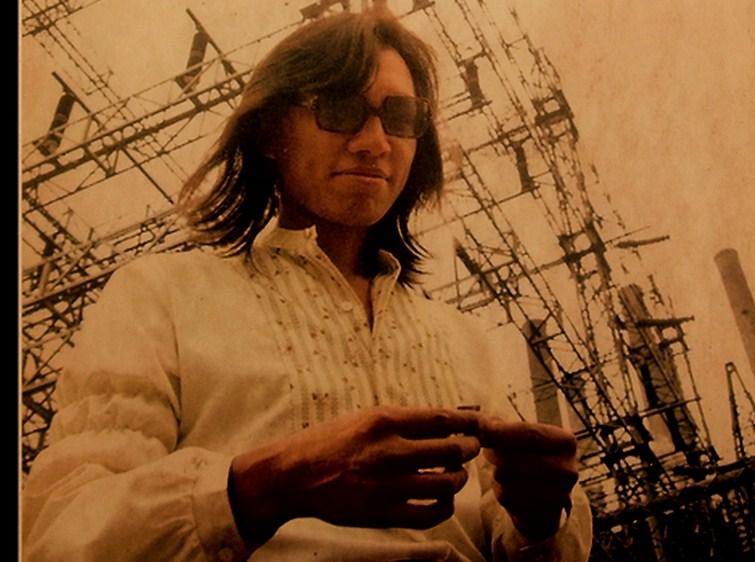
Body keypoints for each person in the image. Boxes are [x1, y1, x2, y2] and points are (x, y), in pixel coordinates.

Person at [22, 10, 592, 561]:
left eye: (400, 116)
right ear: (271, 132)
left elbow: (522, 539)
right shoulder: (160, 297)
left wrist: (540, 518)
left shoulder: (465, 341)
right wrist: (271, 484)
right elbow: (60, 535)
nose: (375, 142)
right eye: (340, 109)